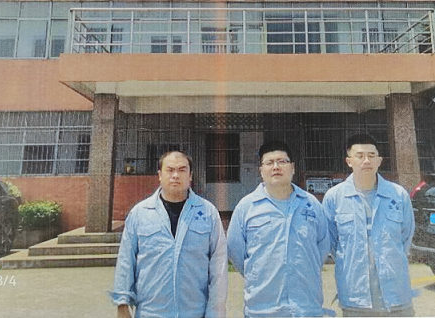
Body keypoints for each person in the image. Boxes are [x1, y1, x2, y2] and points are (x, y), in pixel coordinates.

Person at [111, 151, 228, 318]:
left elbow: (218, 267)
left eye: (182, 170)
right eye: (170, 170)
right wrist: (122, 304)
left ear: (190, 175)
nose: (175, 175)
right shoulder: (140, 213)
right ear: (159, 175)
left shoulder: (208, 213)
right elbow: (126, 260)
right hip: (150, 313)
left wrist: (216, 313)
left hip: (194, 312)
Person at [227, 141, 331, 317]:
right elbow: (235, 251)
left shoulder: (311, 204)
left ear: (292, 168)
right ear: (261, 170)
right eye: (269, 162)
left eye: (282, 161)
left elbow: (322, 246)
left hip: (306, 308)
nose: (276, 167)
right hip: (262, 309)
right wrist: (258, 274)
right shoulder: (247, 207)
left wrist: (305, 268)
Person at [322, 133, 416, 317]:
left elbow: (405, 238)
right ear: (349, 161)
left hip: (396, 297)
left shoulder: (398, 195)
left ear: (379, 160)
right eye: (360, 156)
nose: (366, 161)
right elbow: (332, 243)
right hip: (355, 298)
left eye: (372, 156)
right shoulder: (334, 198)